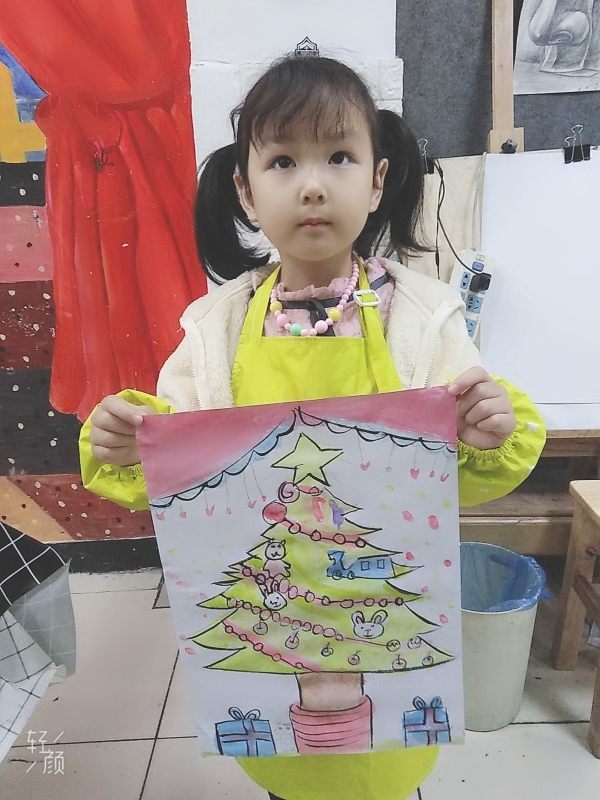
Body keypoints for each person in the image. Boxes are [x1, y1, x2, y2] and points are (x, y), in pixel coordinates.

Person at [79, 54, 546, 800]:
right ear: (246, 189)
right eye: (283, 161)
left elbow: (458, 467)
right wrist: (130, 440)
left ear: (378, 179)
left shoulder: (423, 319)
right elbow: (175, 457)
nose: (313, 184)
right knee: (290, 772)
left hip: (379, 604)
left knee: (384, 765)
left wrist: (487, 429)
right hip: (273, 610)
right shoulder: (215, 328)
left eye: (339, 156)